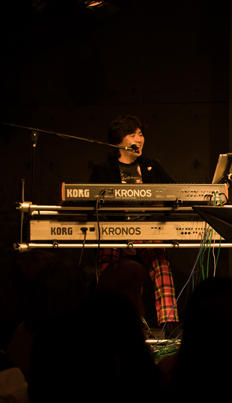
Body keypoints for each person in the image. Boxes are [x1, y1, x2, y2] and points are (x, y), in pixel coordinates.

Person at [90, 115, 179, 334]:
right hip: (114, 233)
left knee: (161, 264)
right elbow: (93, 207)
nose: (139, 139)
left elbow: (175, 192)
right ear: (118, 140)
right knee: (107, 264)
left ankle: (169, 323)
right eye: (132, 134)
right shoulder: (103, 170)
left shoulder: (151, 166)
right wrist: (120, 235)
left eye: (140, 134)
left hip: (148, 231)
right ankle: (109, 322)